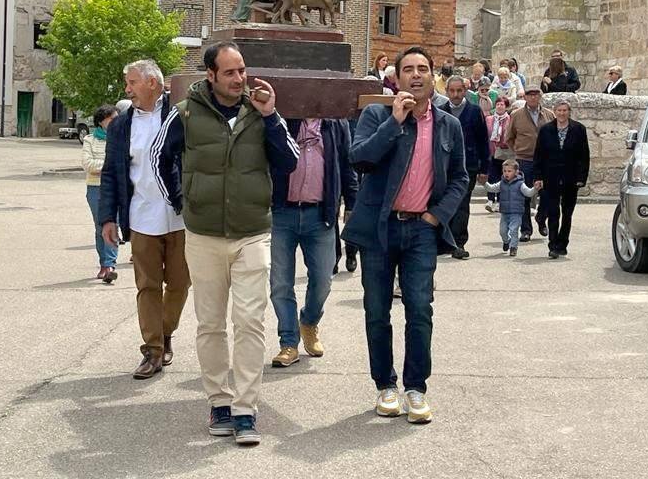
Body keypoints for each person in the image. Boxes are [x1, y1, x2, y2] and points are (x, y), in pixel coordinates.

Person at [151, 41, 299, 446]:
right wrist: (183, 202)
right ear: (210, 75)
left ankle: (246, 409)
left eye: (242, 70)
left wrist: (271, 118)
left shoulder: (262, 112)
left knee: (250, 322)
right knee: (211, 324)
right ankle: (219, 401)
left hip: (252, 231)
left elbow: (291, 161)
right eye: (230, 72)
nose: (240, 79)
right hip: (203, 235)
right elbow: (159, 158)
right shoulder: (184, 112)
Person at [344, 46, 468, 424]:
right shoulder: (376, 115)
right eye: (408, 70)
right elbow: (359, 158)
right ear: (395, 78)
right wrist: (394, 122)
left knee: (419, 311)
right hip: (379, 229)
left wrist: (436, 217)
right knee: (377, 311)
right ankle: (385, 385)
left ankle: (416, 388)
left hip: (420, 230)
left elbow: (460, 177)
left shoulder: (449, 125)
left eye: (423, 69)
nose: (416, 75)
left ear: (434, 78)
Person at [99, 60, 191, 380]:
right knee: (147, 285)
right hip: (140, 216)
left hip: (180, 217)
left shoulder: (180, 115)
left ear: (153, 83)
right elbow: (111, 173)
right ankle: (152, 349)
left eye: (133, 82)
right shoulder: (122, 125)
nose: (127, 89)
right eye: (128, 83)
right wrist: (107, 218)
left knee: (180, 283)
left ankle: (166, 331)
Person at [269, 118, 358, 368]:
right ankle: (288, 341)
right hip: (282, 213)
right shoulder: (283, 119)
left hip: (320, 214)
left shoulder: (335, 124)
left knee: (323, 280)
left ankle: (309, 321)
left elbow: (346, 163)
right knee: (280, 283)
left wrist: (352, 203)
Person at [440, 75, 489, 260]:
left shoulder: (474, 111)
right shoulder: (441, 111)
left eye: (459, 90)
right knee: (446, 203)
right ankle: (445, 240)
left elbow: (483, 141)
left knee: (462, 204)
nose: (455, 94)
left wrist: (485, 168)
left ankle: (458, 243)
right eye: (452, 91)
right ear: (447, 92)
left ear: (465, 91)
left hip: (468, 165)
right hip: (444, 167)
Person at [533, 99, 589, 259]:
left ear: (569, 112)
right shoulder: (545, 130)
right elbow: (539, 155)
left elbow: (584, 155)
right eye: (559, 110)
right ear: (554, 111)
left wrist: (581, 177)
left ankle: (562, 243)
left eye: (565, 110)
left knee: (567, 212)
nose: (562, 113)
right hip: (550, 176)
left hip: (571, 177)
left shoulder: (579, 129)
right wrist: (538, 176)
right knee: (553, 212)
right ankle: (553, 244)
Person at [507, 85, 554, 242]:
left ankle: (541, 219)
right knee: (524, 196)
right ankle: (525, 229)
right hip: (524, 159)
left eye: (536, 94)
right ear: (525, 97)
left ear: (540, 97)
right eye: (530, 94)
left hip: (545, 161)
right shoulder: (516, 115)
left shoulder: (549, 115)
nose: (533, 97)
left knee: (547, 194)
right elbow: (509, 137)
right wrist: (519, 151)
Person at [83, 104, 119, 283]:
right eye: (111, 118)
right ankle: (103, 264)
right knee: (100, 227)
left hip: (116, 188)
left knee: (113, 224)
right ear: (101, 121)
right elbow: (88, 164)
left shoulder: (122, 138)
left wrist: (104, 165)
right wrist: (110, 165)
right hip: (95, 188)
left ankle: (111, 264)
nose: (115, 122)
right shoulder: (90, 140)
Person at [485, 160, 541, 256]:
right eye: (504, 171)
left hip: (517, 212)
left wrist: (535, 189)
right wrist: (484, 183)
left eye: (509, 171)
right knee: (502, 231)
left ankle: (513, 247)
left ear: (516, 172)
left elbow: (528, 193)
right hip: (505, 212)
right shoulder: (501, 183)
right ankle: (506, 241)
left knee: (513, 229)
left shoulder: (520, 184)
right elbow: (491, 188)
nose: (506, 173)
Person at [484, 96, 514, 213]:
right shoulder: (489, 119)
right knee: (491, 176)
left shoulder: (510, 119)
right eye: (498, 104)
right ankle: (490, 200)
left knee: (503, 176)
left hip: (505, 152)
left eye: (502, 104)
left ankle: (501, 201)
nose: (499, 106)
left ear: (506, 106)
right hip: (491, 151)